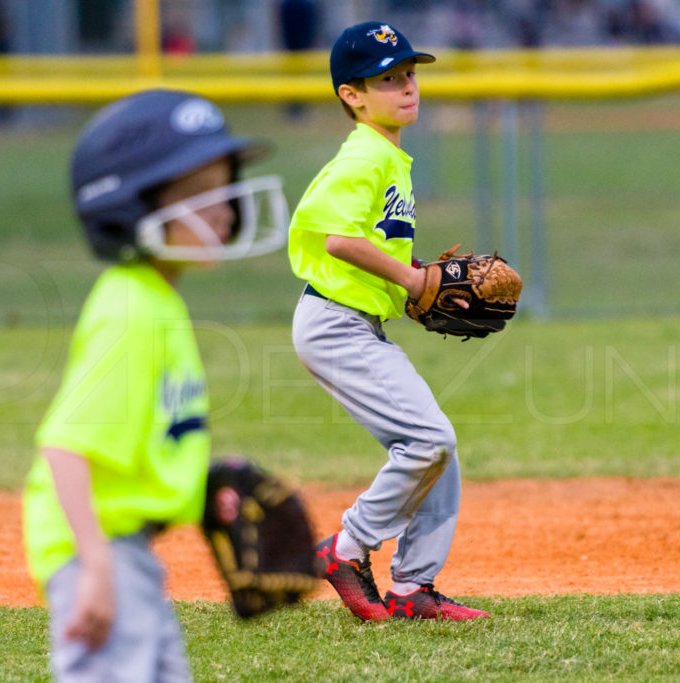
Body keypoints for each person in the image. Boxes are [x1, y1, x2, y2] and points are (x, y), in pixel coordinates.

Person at [22, 88, 286, 680]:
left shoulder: (154, 300)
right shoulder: (130, 312)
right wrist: (94, 568)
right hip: (100, 549)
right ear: (129, 209)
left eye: (225, 185)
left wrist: (200, 491)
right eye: (197, 193)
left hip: (125, 550)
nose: (223, 208)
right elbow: (64, 448)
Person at [288, 21, 489, 622]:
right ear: (352, 94)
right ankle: (345, 549)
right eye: (387, 79)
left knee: (435, 447)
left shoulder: (389, 156)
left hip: (356, 322)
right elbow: (337, 240)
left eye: (409, 74)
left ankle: (412, 588)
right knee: (429, 440)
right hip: (332, 323)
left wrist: (420, 275)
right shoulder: (365, 155)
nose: (407, 88)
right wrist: (411, 281)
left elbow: (374, 245)